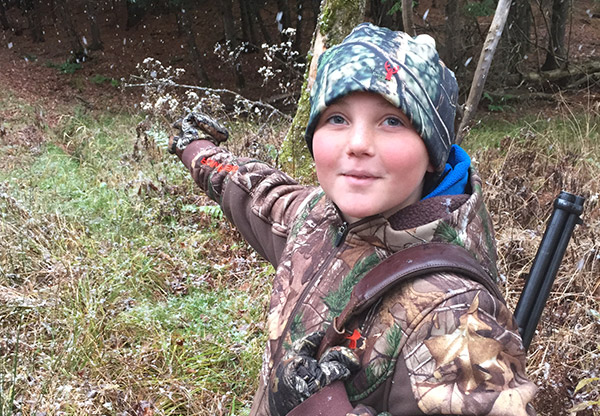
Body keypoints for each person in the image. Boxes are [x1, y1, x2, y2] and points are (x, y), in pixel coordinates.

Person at [168, 23, 537, 416]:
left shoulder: (453, 310)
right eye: (337, 119)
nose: (358, 144)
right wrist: (197, 149)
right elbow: (258, 193)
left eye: (392, 121)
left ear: (433, 151)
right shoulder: (319, 219)